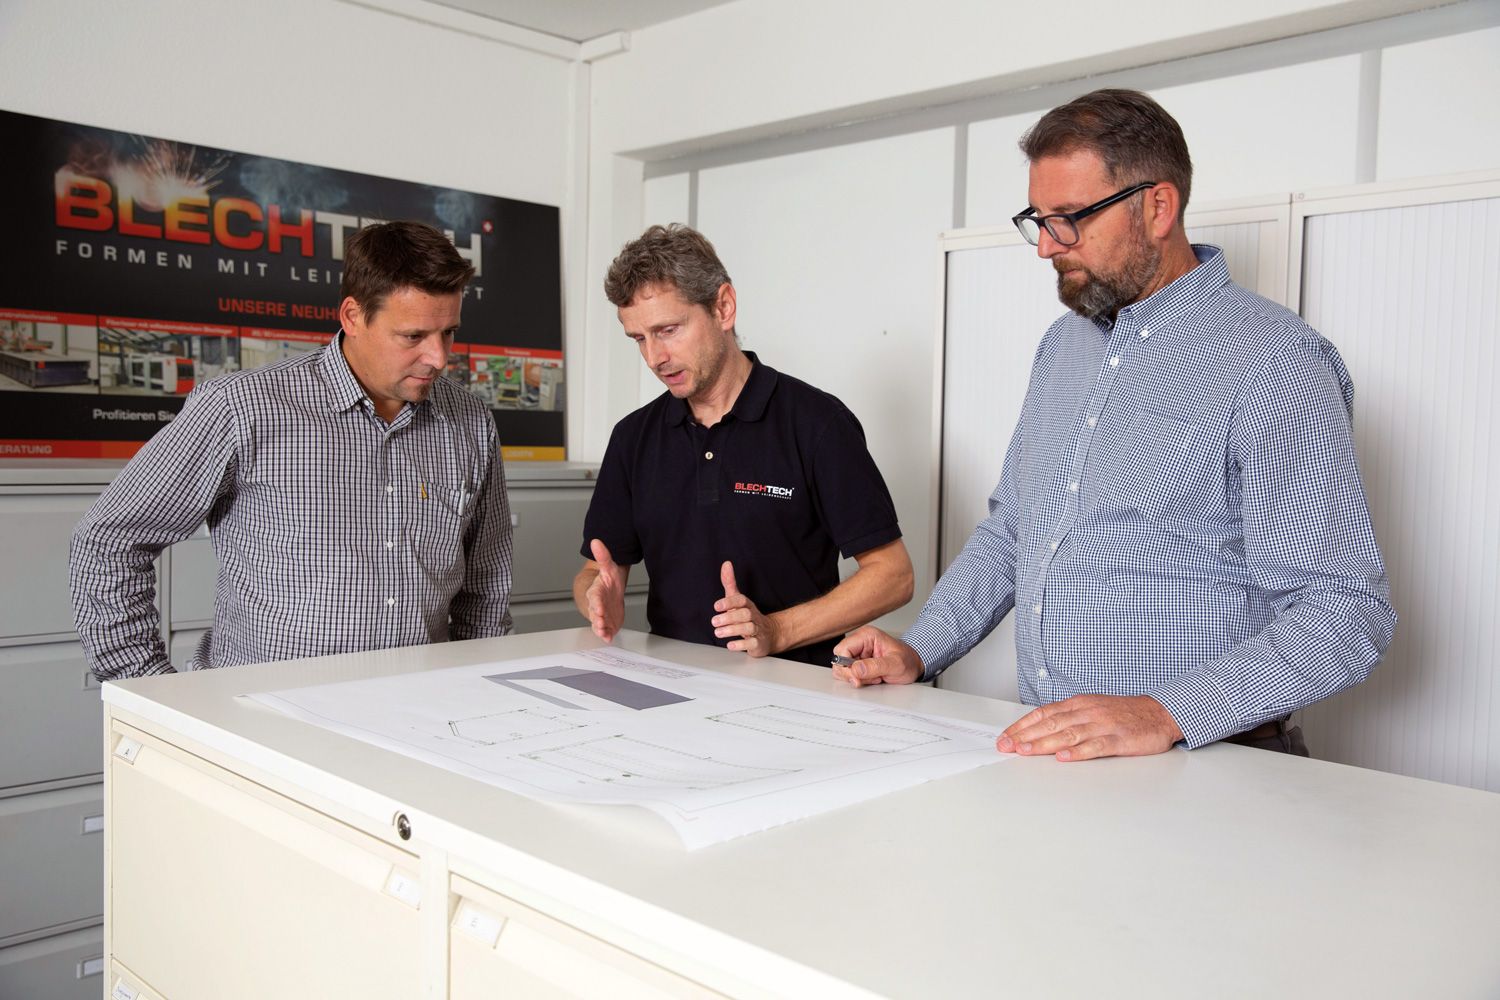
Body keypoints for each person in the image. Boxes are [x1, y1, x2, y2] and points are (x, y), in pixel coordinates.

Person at [834, 89, 1396, 759]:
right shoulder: (1062, 347)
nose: (1046, 247)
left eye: (1069, 219)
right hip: (1059, 756)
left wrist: (1167, 712)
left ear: (1158, 207)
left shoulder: (1275, 361)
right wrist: (920, 648)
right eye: (1038, 220)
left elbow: (1344, 609)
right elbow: (1014, 533)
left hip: (1212, 764)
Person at [70, 220, 513, 679]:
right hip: (261, 708)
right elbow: (109, 541)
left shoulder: (470, 421)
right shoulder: (240, 408)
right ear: (352, 316)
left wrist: (477, 688)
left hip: (419, 705)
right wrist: (147, 688)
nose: (439, 358)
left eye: (448, 333)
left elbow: (486, 586)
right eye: (413, 336)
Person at [574, 224, 913, 667]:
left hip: (794, 689)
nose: (655, 357)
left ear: (724, 307)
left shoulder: (818, 423)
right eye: (639, 338)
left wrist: (777, 630)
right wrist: (598, 599)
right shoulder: (632, 437)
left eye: (668, 330)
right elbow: (595, 572)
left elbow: (893, 576)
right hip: (672, 683)